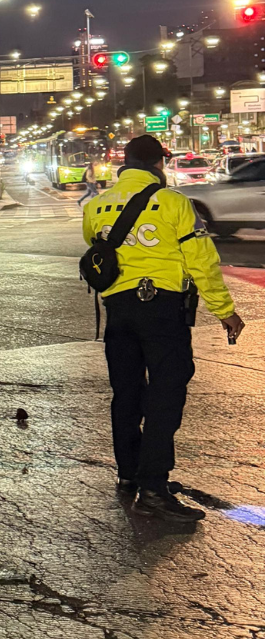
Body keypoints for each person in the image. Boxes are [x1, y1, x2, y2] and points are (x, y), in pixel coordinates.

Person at [83, 135, 244, 523]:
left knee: (126, 392)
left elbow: (97, 250)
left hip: (117, 310)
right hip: (160, 309)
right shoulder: (173, 203)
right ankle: (153, 488)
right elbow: (202, 261)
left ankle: (129, 473)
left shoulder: (96, 205)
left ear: (125, 163)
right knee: (166, 393)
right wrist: (225, 311)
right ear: (158, 163)